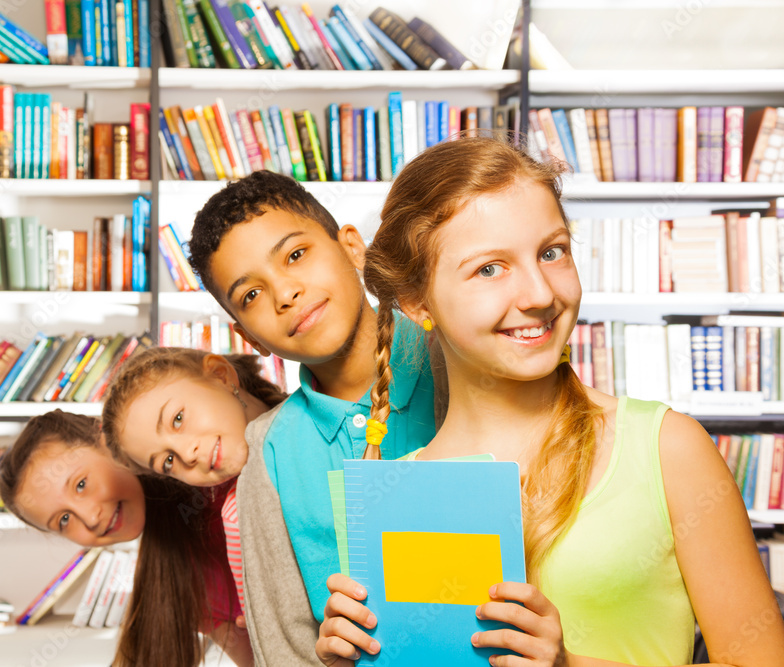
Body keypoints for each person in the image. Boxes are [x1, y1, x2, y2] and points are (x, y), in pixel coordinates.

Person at [315, 136, 784, 666]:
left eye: (551, 252)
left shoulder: (665, 448)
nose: (539, 293)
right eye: (489, 268)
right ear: (417, 302)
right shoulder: (397, 493)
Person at [188, 170, 438, 664]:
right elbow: (283, 645)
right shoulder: (270, 453)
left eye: (296, 255)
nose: (285, 293)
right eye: (251, 295)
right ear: (250, 339)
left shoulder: (461, 364)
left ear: (351, 247)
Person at [0, 409, 253, 667]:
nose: (90, 518)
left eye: (81, 484)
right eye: (64, 520)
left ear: (105, 439)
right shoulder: (182, 585)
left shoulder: (224, 472)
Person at [101, 346, 288, 618]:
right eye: (167, 461)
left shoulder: (326, 415)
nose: (187, 454)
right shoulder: (236, 517)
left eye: (177, 419)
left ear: (220, 375)